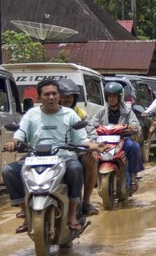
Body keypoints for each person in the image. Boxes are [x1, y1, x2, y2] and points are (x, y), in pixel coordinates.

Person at [2, 79, 104, 234]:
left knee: (76, 168)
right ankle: (26, 214)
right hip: (35, 158)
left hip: (64, 157)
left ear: (58, 96)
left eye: (54, 93)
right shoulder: (31, 114)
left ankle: (71, 214)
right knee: (8, 170)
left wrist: (96, 146)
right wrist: (14, 142)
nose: (51, 97)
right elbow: (20, 134)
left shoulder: (70, 114)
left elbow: (82, 140)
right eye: (46, 94)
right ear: (39, 98)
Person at [91, 81, 144, 193]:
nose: (112, 99)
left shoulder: (128, 111)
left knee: (134, 147)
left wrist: (133, 127)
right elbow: (92, 124)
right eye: (110, 96)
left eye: (115, 96)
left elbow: (136, 125)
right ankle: (94, 179)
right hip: (104, 142)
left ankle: (133, 177)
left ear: (120, 97)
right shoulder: (101, 111)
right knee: (91, 153)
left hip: (123, 140)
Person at [58, 78, 99, 216]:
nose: (66, 99)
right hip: (52, 151)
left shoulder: (80, 113)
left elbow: (91, 132)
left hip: (76, 149)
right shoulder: (45, 111)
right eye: (63, 96)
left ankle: (86, 202)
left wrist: (92, 148)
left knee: (91, 160)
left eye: (70, 97)